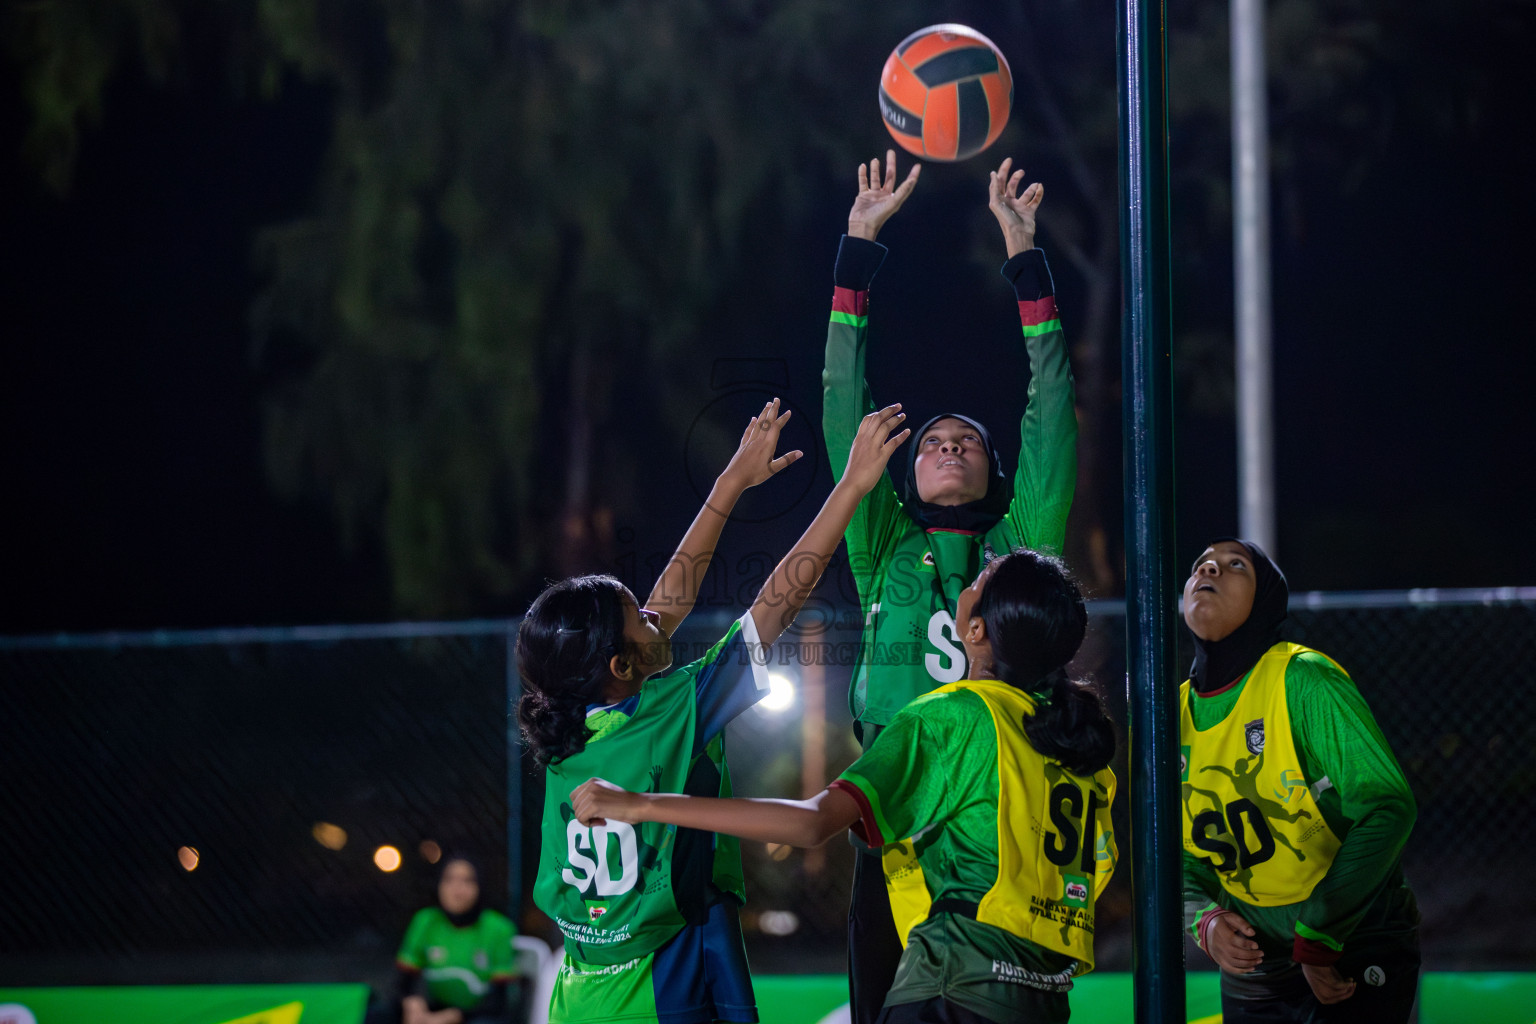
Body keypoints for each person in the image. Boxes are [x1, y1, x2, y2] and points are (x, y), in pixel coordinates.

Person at [569, 549, 1118, 1024]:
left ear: (975, 630)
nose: (965, 584)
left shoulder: (953, 715)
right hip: (1047, 997)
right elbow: (1096, 871)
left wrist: (641, 804)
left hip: (955, 989)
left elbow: (811, 822)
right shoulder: (1082, 752)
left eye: (976, 583)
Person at [519, 401, 911, 1024]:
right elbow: (776, 601)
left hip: (582, 991)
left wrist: (729, 485)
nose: (655, 611)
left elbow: (663, 607)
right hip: (663, 982)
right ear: (622, 667)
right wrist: (852, 487)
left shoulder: (572, 721)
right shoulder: (676, 710)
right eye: (640, 618)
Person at [823, 150, 1079, 1023]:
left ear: (997, 473)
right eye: (932, 440)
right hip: (894, 812)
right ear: (902, 473)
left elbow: (1051, 416)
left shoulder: (1021, 545)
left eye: (967, 440)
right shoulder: (881, 543)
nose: (948, 445)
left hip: (991, 817)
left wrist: (1024, 260)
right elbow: (840, 402)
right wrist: (858, 251)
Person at [1180, 538, 1420, 1022]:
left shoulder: (1303, 677)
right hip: (1256, 959)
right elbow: (1177, 854)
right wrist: (1203, 920)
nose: (1210, 570)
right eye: (1201, 565)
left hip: (1351, 940)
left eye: (1234, 565)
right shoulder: (1172, 711)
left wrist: (1319, 934)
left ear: (1266, 597)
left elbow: (1388, 806)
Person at [388, 855, 519, 1024]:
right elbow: (401, 983)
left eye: (467, 880)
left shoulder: (499, 929)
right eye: (449, 879)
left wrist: (454, 1017)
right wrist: (410, 1003)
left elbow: (502, 1002)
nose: (457, 889)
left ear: (480, 886)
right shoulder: (426, 921)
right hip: (435, 1010)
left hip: (477, 1015)